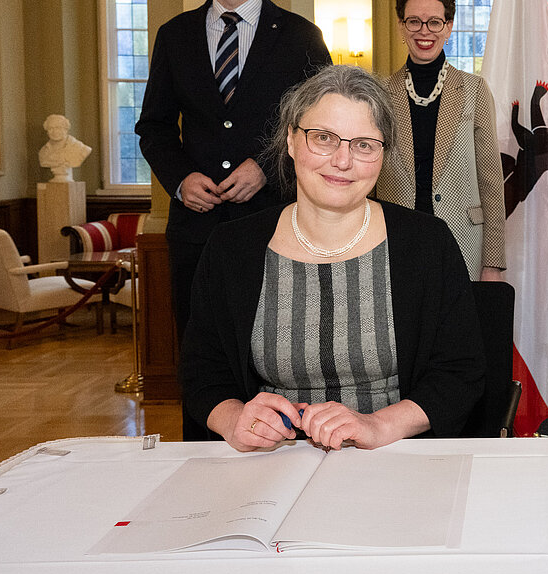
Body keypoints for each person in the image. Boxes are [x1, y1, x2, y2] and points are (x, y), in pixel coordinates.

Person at [179, 65, 485, 451]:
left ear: (383, 154)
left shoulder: (427, 243)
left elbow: (461, 371)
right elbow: (202, 371)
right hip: (268, 461)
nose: (343, 161)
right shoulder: (230, 248)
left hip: (394, 456)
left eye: (363, 145)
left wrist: (377, 425)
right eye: (323, 138)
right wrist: (235, 420)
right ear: (291, 140)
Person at [136, 0, 330, 439]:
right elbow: (153, 129)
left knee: (275, 345)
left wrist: (268, 169)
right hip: (195, 230)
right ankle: (205, 459)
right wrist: (179, 180)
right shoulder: (173, 36)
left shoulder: (299, 37)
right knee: (202, 354)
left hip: (274, 225)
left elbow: (321, 127)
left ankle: (280, 446)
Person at [375, 0, 505, 281]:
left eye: (434, 22)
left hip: (462, 244)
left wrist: (494, 262)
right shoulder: (379, 93)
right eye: (414, 22)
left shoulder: (473, 89)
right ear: (401, 27)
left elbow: (490, 181)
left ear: (448, 27)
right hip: (396, 243)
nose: (424, 31)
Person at [38, 114, 91, 181]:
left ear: (66, 129)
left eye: (58, 128)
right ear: (47, 131)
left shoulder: (80, 148)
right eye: (50, 128)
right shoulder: (43, 151)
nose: (55, 132)